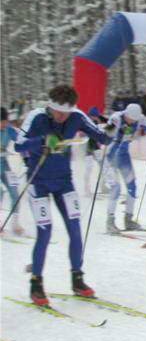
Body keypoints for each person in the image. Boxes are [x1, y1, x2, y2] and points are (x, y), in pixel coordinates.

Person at [14, 85, 111, 305]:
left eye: (66, 113)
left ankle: (77, 279)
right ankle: (36, 284)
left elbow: (101, 136)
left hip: (63, 182)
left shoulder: (76, 116)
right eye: (58, 113)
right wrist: (41, 142)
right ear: (50, 107)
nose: (62, 117)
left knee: (75, 229)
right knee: (45, 232)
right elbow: (18, 145)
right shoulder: (36, 117)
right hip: (38, 181)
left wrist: (114, 130)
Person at [104, 103, 146, 233]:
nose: (132, 122)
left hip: (123, 156)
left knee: (132, 186)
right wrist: (112, 131)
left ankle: (128, 219)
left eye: (134, 121)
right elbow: (106, 133)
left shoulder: (140, 118)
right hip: (110, 157)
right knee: (116, 188)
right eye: (130, 120)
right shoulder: (116, 118)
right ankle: (110, 221)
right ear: (126, 115)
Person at [1, 106, 24, 235]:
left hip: (4, 165)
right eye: (2, 121)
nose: (4, 124)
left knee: (15, 192)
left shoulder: (9, 130)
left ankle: (15, 224)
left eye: (6, 121)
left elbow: (21, 140)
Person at [83, 106, 108, 197]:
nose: (94, 118)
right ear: (89, 115)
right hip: (87, 148)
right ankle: (86, 188)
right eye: (92, 116)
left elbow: (108, 124)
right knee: (88, 168)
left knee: (104, 166)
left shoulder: (99, 121)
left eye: (96, 117)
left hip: (96, 147)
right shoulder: (85, 122)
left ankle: (103, 185)